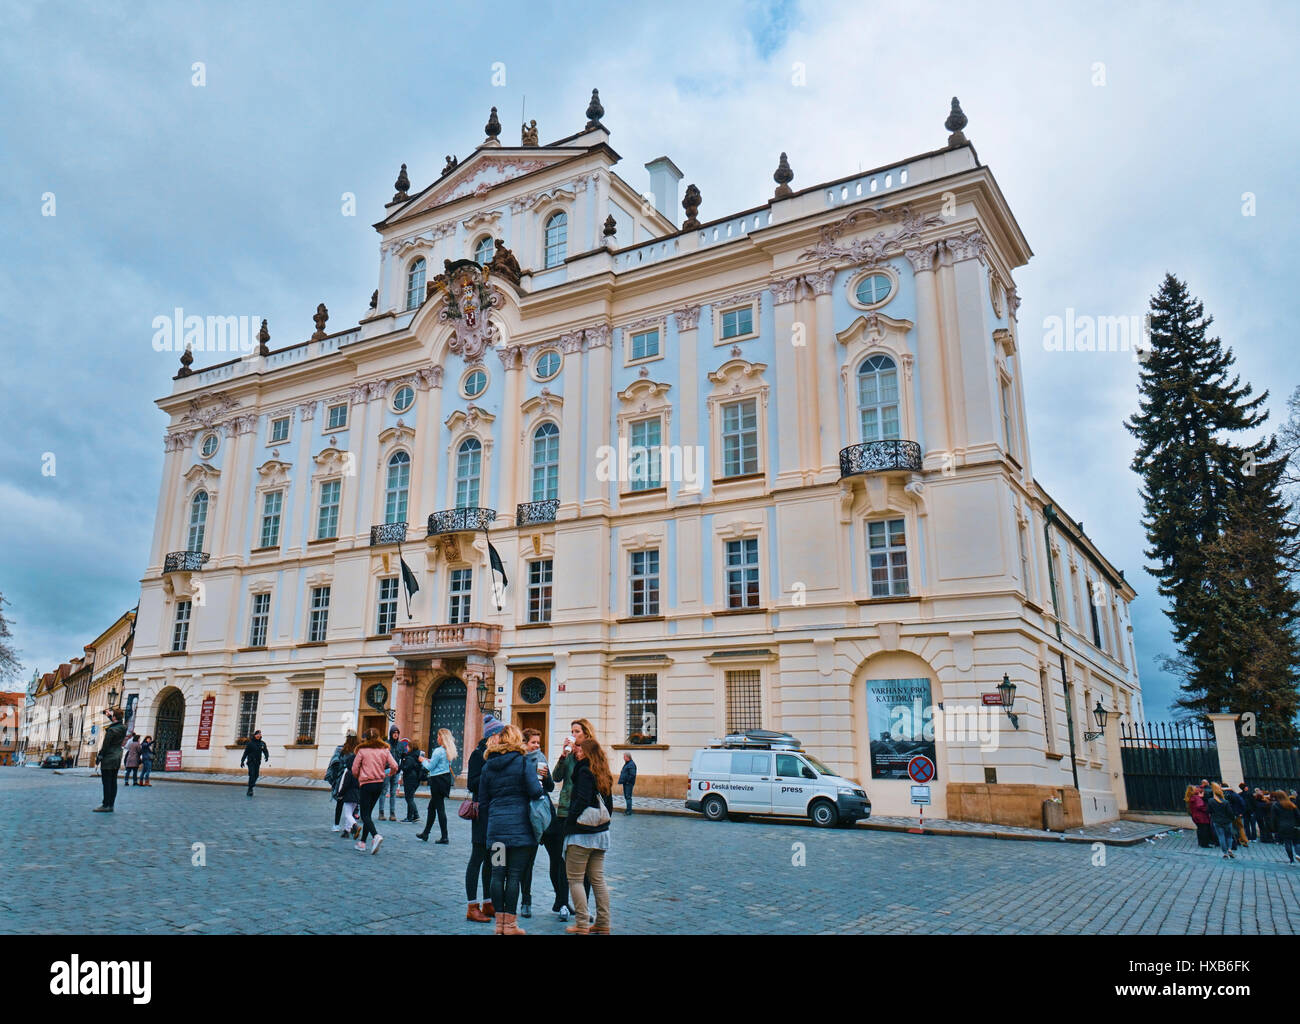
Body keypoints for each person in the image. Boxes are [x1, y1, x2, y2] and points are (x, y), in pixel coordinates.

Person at [479, 724, 544, 935]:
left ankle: (499, 926)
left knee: (497, 875)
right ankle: (510, 926)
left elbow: (483, 802)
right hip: (520, 831)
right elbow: (535, 791)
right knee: (514, 876)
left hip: (497, 831)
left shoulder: (488, 765)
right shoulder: (523, 761)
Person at [548, 718, 597, 922]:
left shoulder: (592, 756)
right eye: (572, 731)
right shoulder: (568, 755)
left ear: (585, 734)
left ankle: (582, 907)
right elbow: (556, 777)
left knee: (584, 865)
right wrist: (562, 756)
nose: (573, 734)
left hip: (584, 813)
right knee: (562, 862)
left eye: (577, 731)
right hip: (565, 812)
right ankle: (562, 903)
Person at [564, 736, 614, 934]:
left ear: (588, 753)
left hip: (582, 834)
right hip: (600, 834)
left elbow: (581, 800)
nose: (577, 751)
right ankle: (603, 922)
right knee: (598, 880)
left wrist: (569, 822)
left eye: (580, 749)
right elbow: (608, 806)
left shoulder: (584, 771)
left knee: (575, 879)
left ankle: (582, 923)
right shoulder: (603, 772)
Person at [465, 715, 504, 923]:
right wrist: (491, 770)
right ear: (492, 736)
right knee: (477, 858)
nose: (503, 738)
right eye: (500, 734)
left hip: (497, 814)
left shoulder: (498, 755)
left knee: (493, 860)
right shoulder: (478, 755)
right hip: (482, 814)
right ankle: (472, 906)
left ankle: (489, 902)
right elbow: (472, 783)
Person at [519, 728, 555, 918]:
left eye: (538, 744)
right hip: (525, 816)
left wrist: (546, 776)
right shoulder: (519, 760)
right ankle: (526, 900)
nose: (537, 747)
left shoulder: (541, 759)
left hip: (541, 815)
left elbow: (550, 787)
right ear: (524, 743)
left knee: (554, 859)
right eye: (533, 743)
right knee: (525, 862)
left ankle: (562, 901)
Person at [352, 728, 399, 853]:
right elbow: (395, 765)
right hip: (379, 784)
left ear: (366, 738)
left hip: (366, 784)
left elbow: (354, 769)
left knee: (364, 814)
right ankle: (362, 842)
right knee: (368, 814)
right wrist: (390, 774)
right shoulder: (384, 750)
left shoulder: (362, 751)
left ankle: (375, 836)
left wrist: (359, 777)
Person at [417, 728, 457, 843]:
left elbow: (429, 767)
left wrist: (422, 760)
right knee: (432, 807)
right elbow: (441, 764)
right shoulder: (449, 750)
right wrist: (429, 760)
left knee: (440, 808)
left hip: (437, 781)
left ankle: (445, 837)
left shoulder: (438, 751)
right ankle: (425, 833)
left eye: (438, 736)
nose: (437, 738)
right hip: (445, 779)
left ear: (442, 738)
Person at [93, 708, 126, 813]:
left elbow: (105, 746)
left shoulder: (111, 731)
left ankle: (105, 804)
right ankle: (111, 804)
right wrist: (109, 715)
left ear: (115, 717)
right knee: (113, 781)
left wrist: (99, 757)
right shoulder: (123, 728)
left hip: (108, 758)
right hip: (117, 757)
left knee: (106, 783)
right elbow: (117, 722)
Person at [328, 730, 357, 832]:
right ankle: (350, 826)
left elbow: (334, 762)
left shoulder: (341, 749)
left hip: (343, 778)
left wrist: (336, 776)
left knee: (340, 801)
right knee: (352, 802)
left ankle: (337, 825)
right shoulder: (356, 750)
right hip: (354, 778)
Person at [335, 733, 362, 840]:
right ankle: (347, 831)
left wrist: (340, 794)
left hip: (348, 795)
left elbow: (343, 784)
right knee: (351, 812)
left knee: (347, 815)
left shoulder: (347, 772)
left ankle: (355, 826)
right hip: (357, 795)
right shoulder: (358, 772)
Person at [1205, 783, 1236, 859]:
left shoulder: (1211, 801)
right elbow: (1230, 813)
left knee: (1221, 836)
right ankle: (1229, 849)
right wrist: (1232, 818)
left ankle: (1225, 852)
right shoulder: (1225, 802)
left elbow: (1208, 811)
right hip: (1227, 821)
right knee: (1229, 836)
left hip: (1217, 821)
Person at [1269, 790, 1299, 864]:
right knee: (1296, 842)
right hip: (1293, 825)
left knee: (1287, 842)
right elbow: (1298, 815)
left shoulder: (1275, 805)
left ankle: (1291, 860)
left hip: (1282, 826)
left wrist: (1274, 829)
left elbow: (1273, 819)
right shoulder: (1292, 804)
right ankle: (1298, 854)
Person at [381, 726, 403, 822]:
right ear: (391, 733)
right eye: (394, 732)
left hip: (396, 771)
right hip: (387, 771)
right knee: (384, 791)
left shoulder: (400, 745)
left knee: (393, 793)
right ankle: (381, 812)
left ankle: (392, 813)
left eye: (397, 733)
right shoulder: (386, 744)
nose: (396, 734)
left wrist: (400, 768)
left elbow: (403, 757)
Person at [399, 743, 425, 822]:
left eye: (408, 746)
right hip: (416, 778)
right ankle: (411, 816)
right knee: (410, 797)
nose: (406, 748)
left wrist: (402, 762)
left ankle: (414, 815)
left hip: (410, 779)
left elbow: (406, 768)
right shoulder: (418, 755)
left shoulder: (410, 757)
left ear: (410, 747)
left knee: (409, 798)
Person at [240, 730, 270, 797]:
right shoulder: (250, 743)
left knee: (256, 775)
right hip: (251, 761)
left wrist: (266, 756)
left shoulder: (262, 743)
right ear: (254, 735)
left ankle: (251, 786)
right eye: (257, 734)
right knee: (252, 774)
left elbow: (265, 751)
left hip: (257, 761)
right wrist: (242, 761)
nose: (258, 735)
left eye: (259, 734)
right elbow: (246, 753)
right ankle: (250, 789)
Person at [1223, 783, 1247, 849]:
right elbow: (1243, 803)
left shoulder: (1225, 796)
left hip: (1231, 814)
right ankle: (1243, 840)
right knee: (1240, 827)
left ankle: (1236, 840)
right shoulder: (1236, 795)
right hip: (1238, 814)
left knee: (1233, 828)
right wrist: (1241, 812)